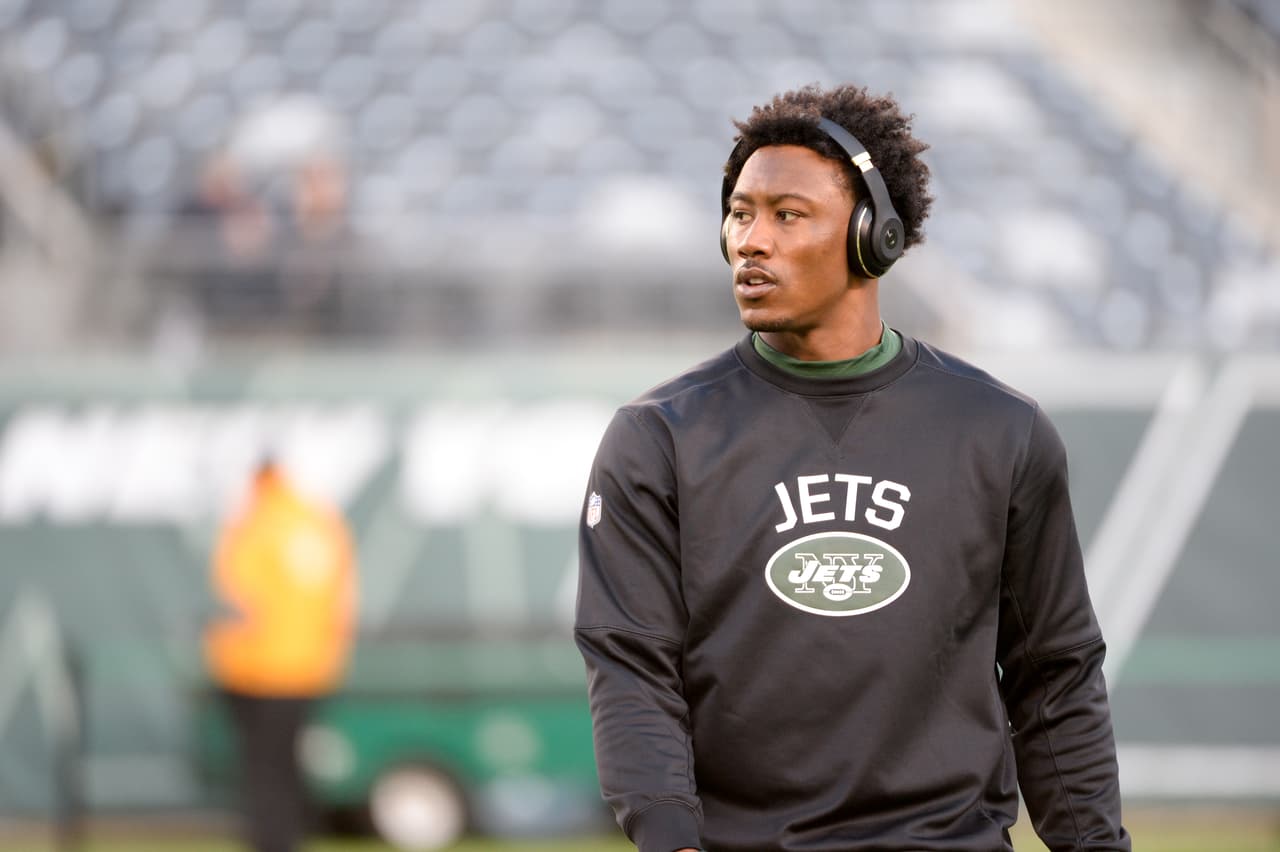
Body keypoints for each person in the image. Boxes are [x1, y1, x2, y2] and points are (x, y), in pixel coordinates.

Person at [574, 83, 1130, 852]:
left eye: (787, 214)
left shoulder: (1001, 431)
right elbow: (633, 674)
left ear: (875, 236)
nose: (751, 241)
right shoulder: (658, 437)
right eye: (740, 214)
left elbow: (1054, 679)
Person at [204, 458, 358, 852]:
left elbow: (238, 597)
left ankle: (271, 842)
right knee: (286, 766)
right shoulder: (317, 521)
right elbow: (340, 599)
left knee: (263, 770)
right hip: (308, 667)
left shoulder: (258, 523)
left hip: (256, 669)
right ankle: (288, 839)